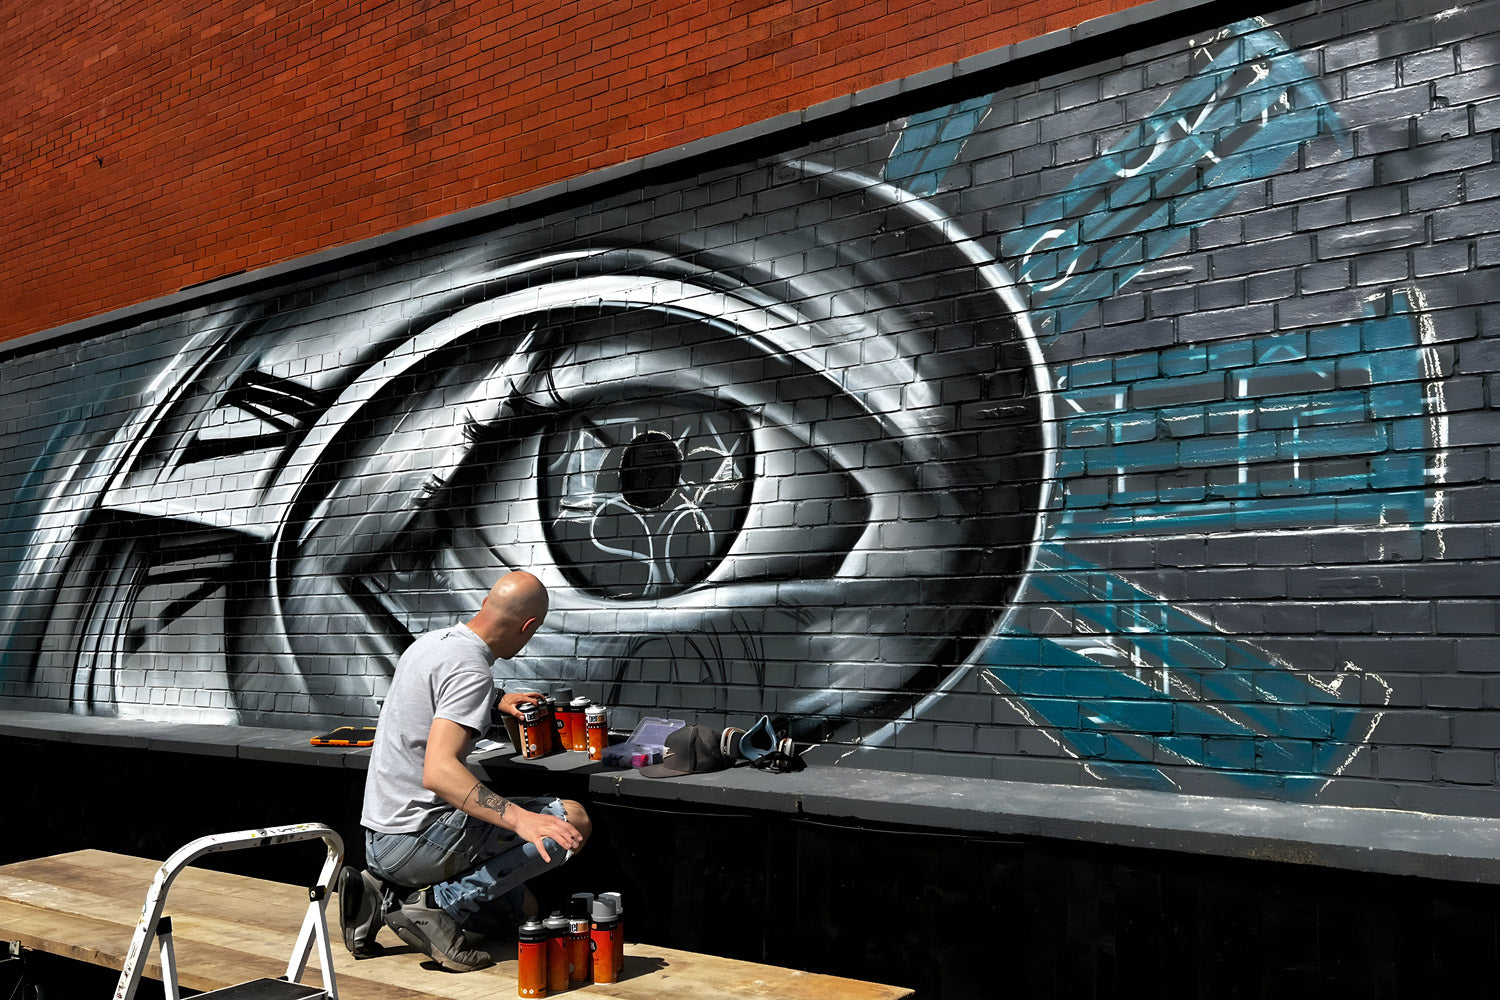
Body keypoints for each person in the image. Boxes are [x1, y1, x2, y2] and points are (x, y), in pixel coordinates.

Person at [339, 570, 591, 972]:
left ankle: (382, 891)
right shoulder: (472, 669)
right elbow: (439, 772)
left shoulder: (432, 645)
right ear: (528, 627)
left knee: (522, 914)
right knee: (568, 822)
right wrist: (522, 820)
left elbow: (447, 688)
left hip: (378, 838)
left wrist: (499, 699)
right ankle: (435, 906)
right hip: (415, 838)